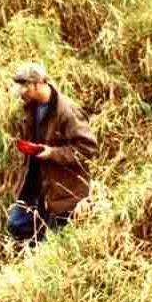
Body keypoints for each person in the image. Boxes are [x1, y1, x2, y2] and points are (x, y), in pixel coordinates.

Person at [8, 62, 98, 244]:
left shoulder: (67, 111)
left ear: (38, 83)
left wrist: (52, 153)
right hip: (36, 184)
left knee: (54, 245)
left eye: (25, 87)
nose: (22, 93)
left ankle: (39, 259)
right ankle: (34, 252)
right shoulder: (29, 107)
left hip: (62, 189)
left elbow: (88, 149)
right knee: (16, 224)